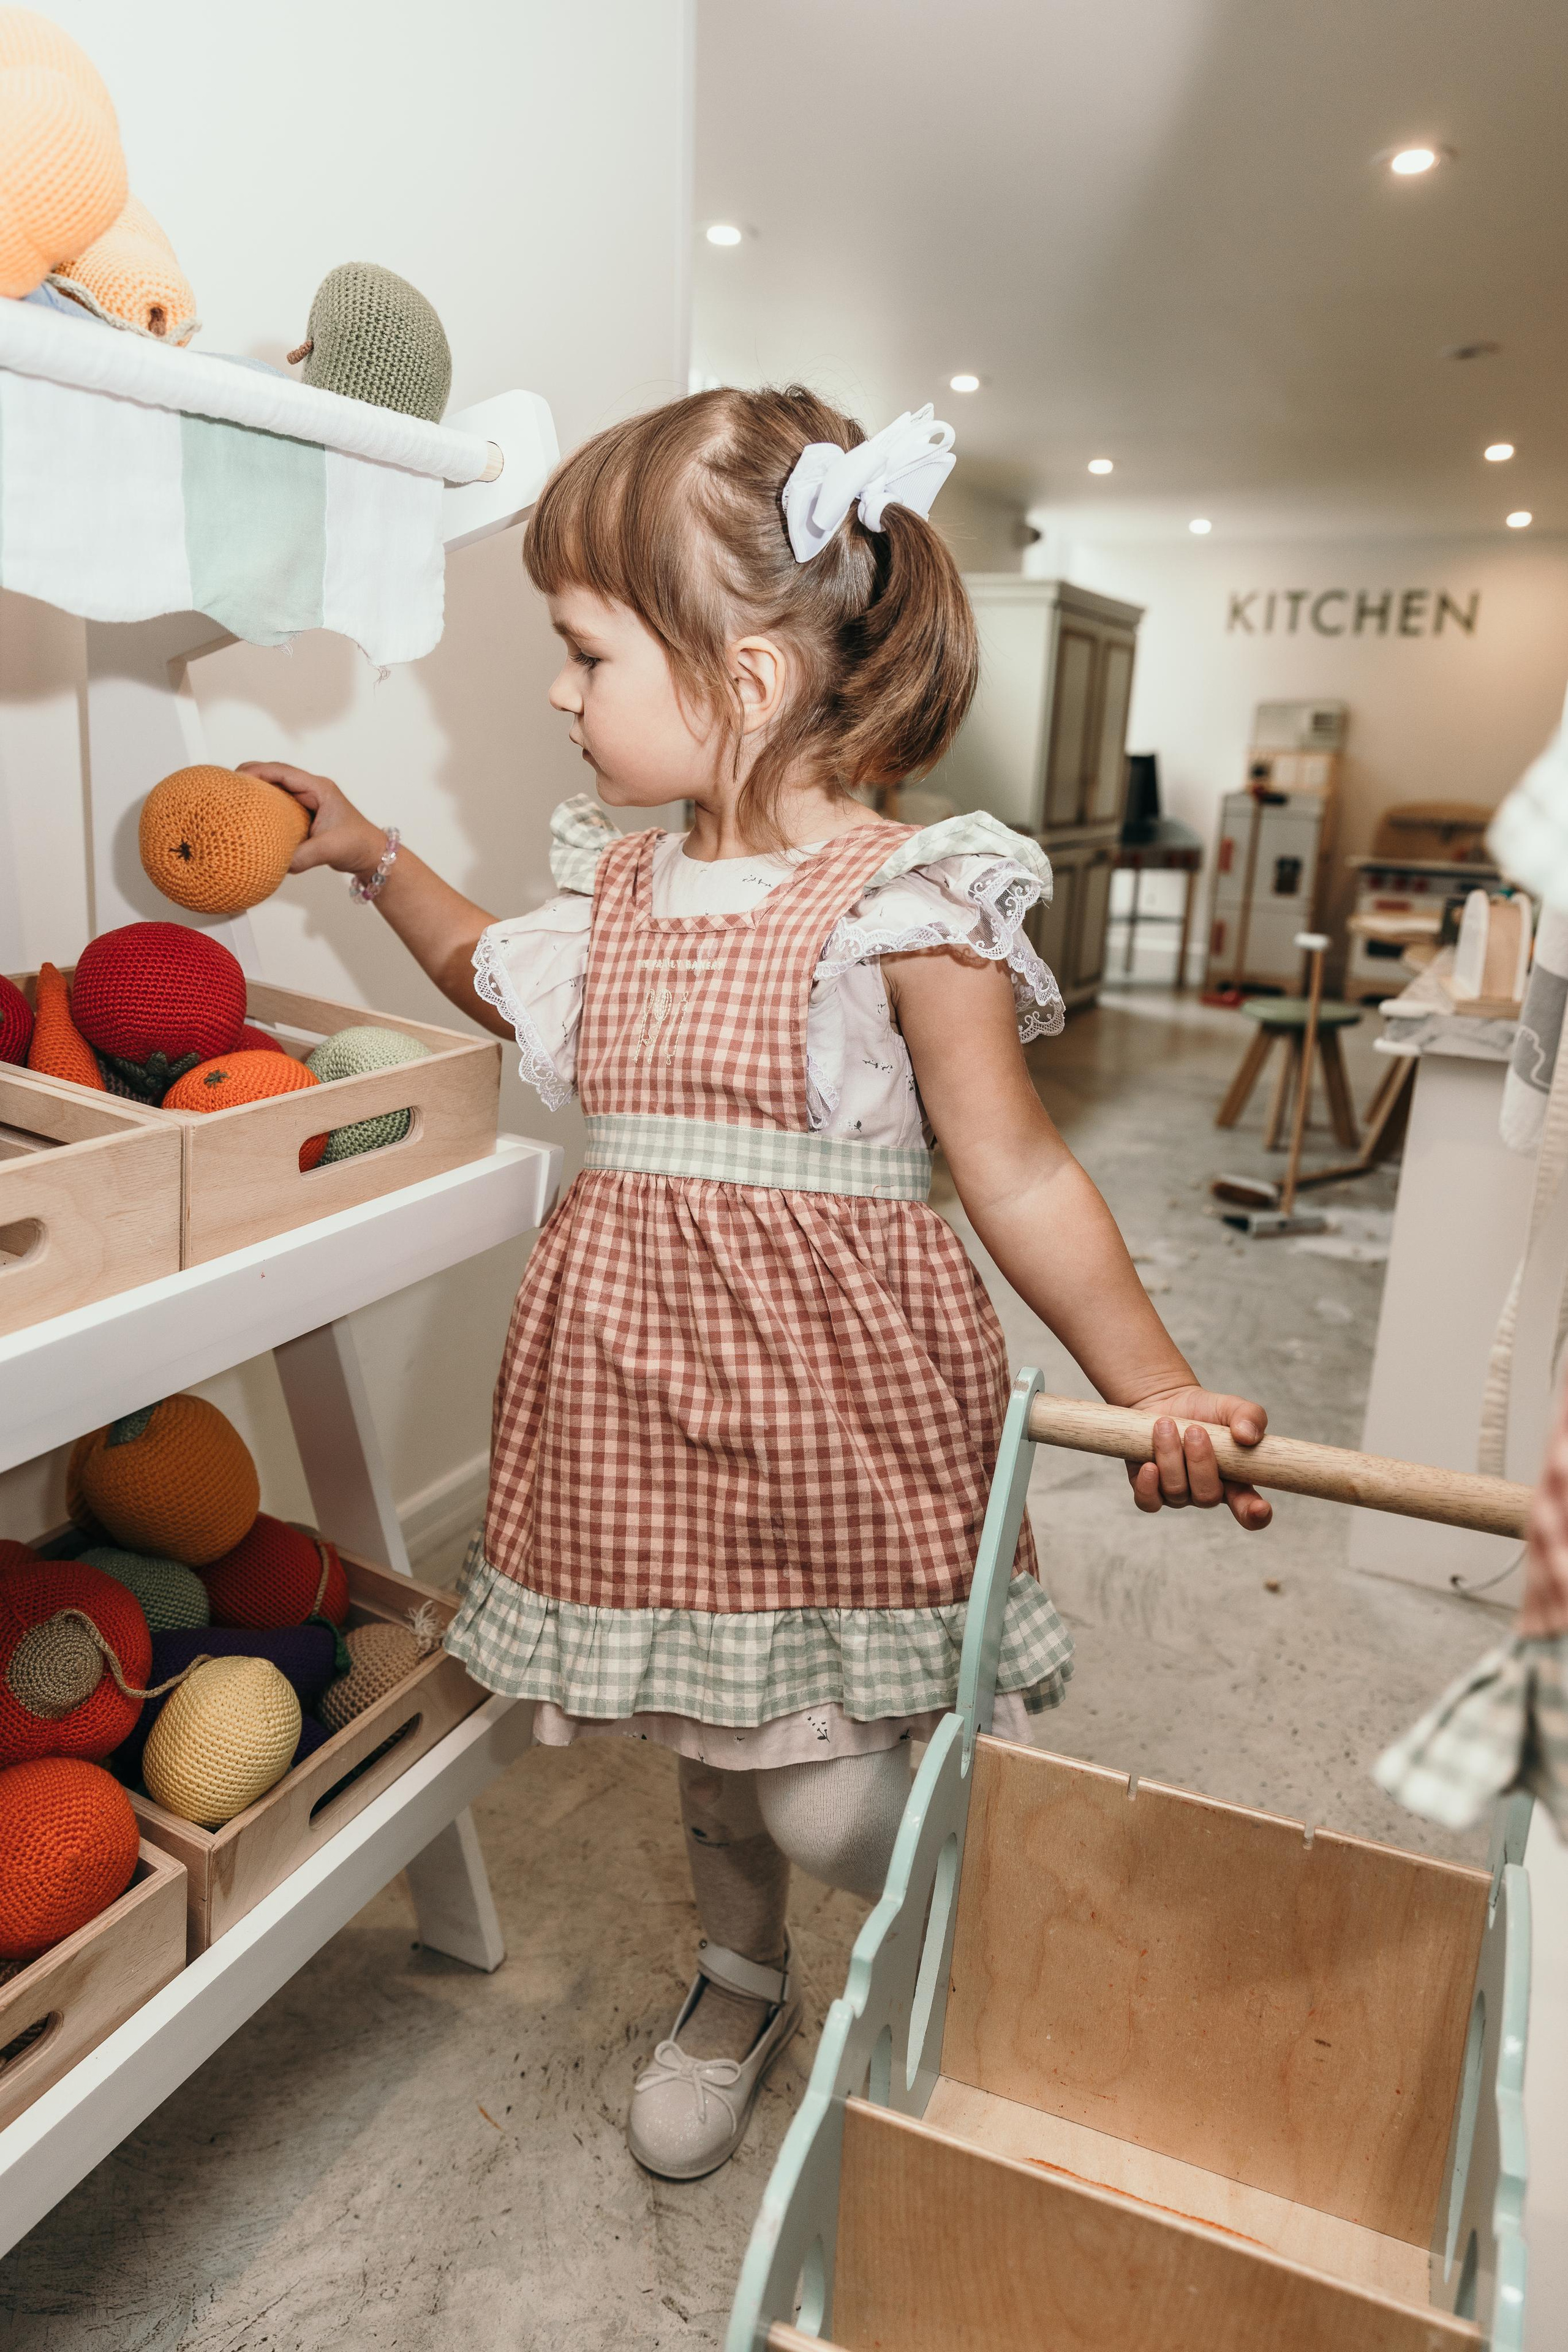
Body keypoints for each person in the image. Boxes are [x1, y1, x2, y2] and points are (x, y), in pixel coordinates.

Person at [243, 385, 1270, 2181]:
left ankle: (998, 1883)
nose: (559, 697)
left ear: (748, 680)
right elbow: (501, 975)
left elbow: (1015, 1165)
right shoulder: (621, 891)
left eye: (583, 654)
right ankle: (738, 1974)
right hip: (641, 1404)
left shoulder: (910, 898)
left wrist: (1158, 1378)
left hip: (837, 1406)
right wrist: (376, 857)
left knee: (815, 1768)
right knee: (709, 1743)